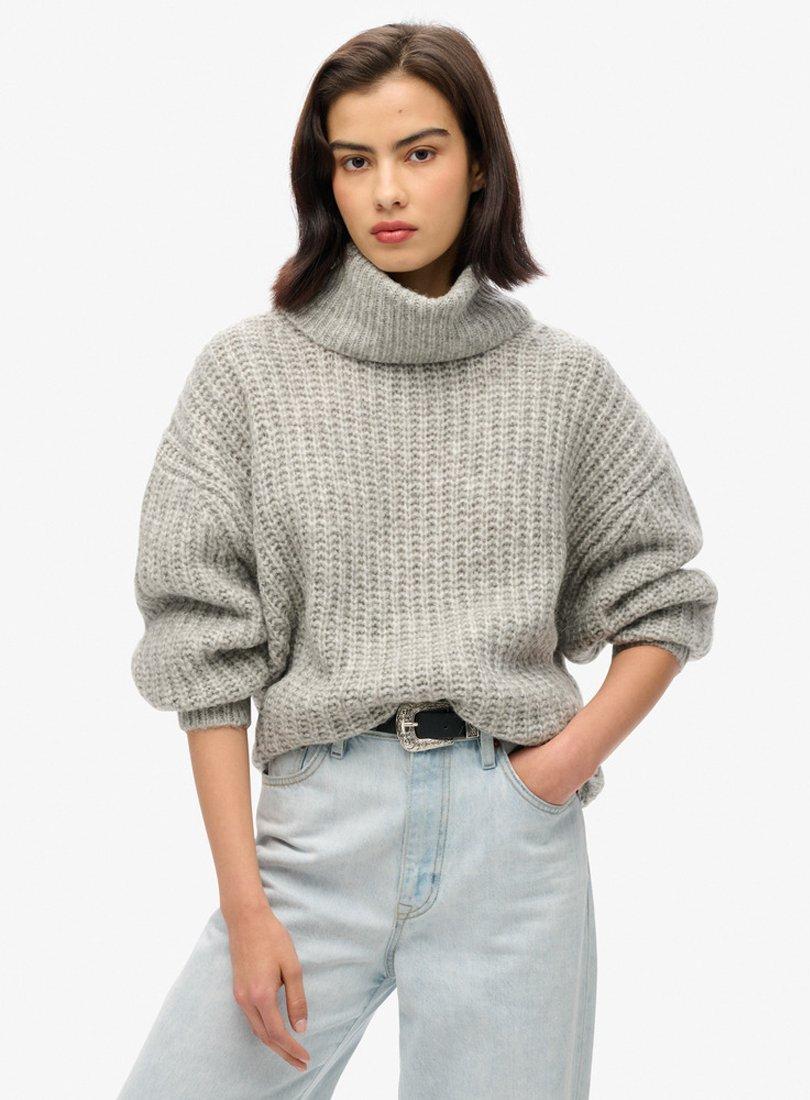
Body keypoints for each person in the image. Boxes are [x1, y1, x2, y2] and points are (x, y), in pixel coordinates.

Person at [118, 21, 718, 1100]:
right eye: (354, 161)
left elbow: (664, 599)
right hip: (316, 829)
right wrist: (247, 908)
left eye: (420, 152)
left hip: (511, 839)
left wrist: (550, 774)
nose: (386, 190)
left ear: (479, 163)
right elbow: (203, 653)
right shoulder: (247, 375)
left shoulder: (561, 382)